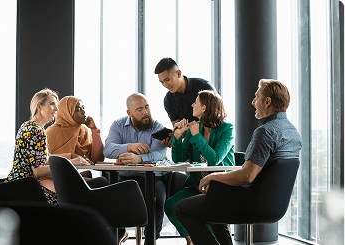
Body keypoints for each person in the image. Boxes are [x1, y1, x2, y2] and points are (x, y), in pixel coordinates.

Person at [173, 79, 302, 245]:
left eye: (257, 97)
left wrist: (212, 177)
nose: (253, 102)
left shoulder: (265, 132)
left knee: (181, 209)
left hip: (253, 202)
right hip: (275, 206)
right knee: (213, 204)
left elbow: (247, 176)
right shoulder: (292, 131)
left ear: (267, 101)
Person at [164, 90, 235, 245]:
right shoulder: (194, 128)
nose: (192, 105)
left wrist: (196, 136)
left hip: (220, 185)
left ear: (204, 108)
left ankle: (205, 238)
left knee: (208, 211)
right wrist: (177, 138)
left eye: (195, 102)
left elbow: (215, 159)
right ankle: (193, 239)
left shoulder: (226, 129)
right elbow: (179, 160)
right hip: (197, 183)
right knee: (171, 205)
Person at [6, 89, 89, 206]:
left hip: (17, 184)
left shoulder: (26, 126)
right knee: (73, 198)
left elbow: (43, 158)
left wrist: (70, 158)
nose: (57, 109)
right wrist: (72, 163)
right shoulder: (37, 131)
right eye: (52, 104)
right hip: (27, 188)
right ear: (39, 106)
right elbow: (38, 171)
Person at [103, 92, 168, 241]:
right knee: (112, 198)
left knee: (157, 199)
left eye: (146, 107)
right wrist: (130, 146)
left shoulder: (159, 128)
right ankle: (118, 235)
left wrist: (138, 158)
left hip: (152, 178)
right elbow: (107, 149)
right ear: (129, 113)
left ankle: (151, 239)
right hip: (125, 175)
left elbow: (159, 155)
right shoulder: (118, 125)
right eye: (139, 109)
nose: (145, 112)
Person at [45, 95, 108, 191]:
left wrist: (94, 130)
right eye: (78, 110)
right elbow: (45, 161)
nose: (84, 112)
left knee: (94, 177)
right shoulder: (50, 132)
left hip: (70, 177)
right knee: (102, 182)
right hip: (53, 179)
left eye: (83, 108)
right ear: (67, 113)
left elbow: (97, 158)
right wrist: (71, 156)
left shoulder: (83, 131)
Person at [154, 57, 216, 147]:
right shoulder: (168, 100)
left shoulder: (204, 87)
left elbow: (215, 121)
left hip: (212, 142)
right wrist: (175, 137)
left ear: (179, 73)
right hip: (192, 147)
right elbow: (180, 130)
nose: (165, 85)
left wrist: (188, 129)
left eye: (167, 80)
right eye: (161, 82)